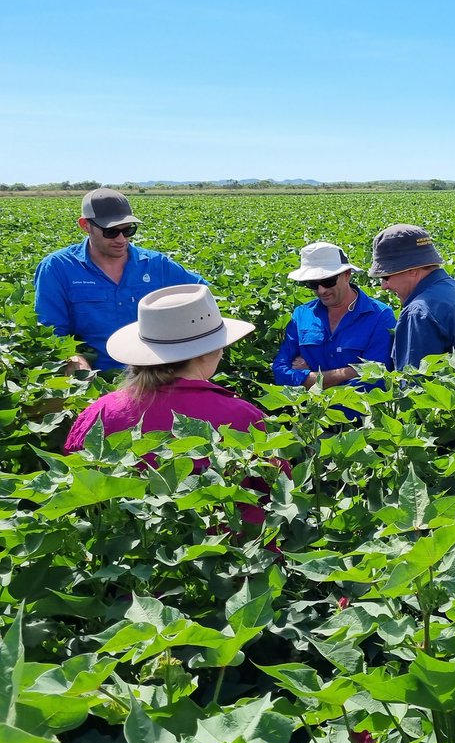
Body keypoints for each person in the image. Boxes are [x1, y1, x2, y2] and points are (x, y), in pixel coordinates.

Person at [64, 284, 280, 526]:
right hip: (230, 555)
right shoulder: (241, 417)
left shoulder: (99, 412)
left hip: (122, 554)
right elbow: (277, 490)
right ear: (205, 352)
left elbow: (77, 484)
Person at [34, 188, 206, 372]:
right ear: (85, 225)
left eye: (128, 230)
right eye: (111, 232)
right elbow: (51, 330)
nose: (121, 239)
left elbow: (201, 292)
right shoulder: (58, 267)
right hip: (98, 377)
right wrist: (73, 357)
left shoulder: (155, 264)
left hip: (159, 374)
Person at [368, 224, 455, 370]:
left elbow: (414, 385)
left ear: (412, 270)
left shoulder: (419, 312)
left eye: (385, 276)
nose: (384, 286)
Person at [272, 242, 396, 389]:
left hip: (360, 411)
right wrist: (348, 372)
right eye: (313, 284)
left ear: (347, 275)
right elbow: (280, 372)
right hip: (311, 411)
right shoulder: (302, 315)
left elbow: (376, 376)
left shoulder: (380, 316)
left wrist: (310, 377)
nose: (321, 290)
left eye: (328, 281)